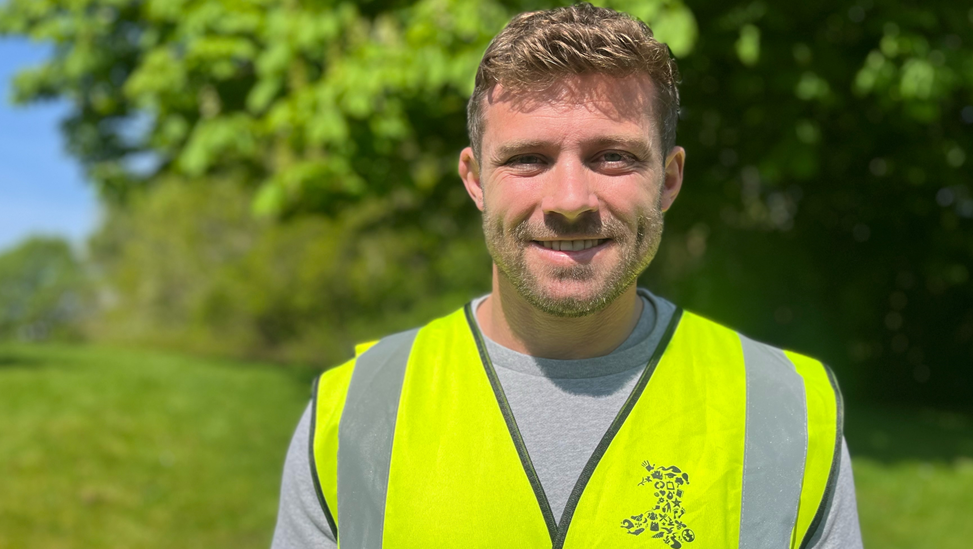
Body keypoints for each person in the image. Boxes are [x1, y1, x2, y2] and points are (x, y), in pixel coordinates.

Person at [271, 4, 863, 548]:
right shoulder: (352, 409)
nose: (571, 199)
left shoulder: (789, 409)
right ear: (476, 179)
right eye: (528, 159)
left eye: (613, 157)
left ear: (670, 179)